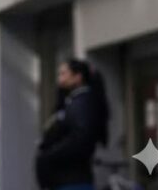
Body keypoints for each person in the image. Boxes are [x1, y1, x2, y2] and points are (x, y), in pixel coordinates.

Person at [35, 59, 110, 190]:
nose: (60, 79)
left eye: (64, 74)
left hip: (72, 180)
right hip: (65, 179)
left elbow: (80, 138)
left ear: (77, 77)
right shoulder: (72, 101)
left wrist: (49, 155)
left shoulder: (81, 103)